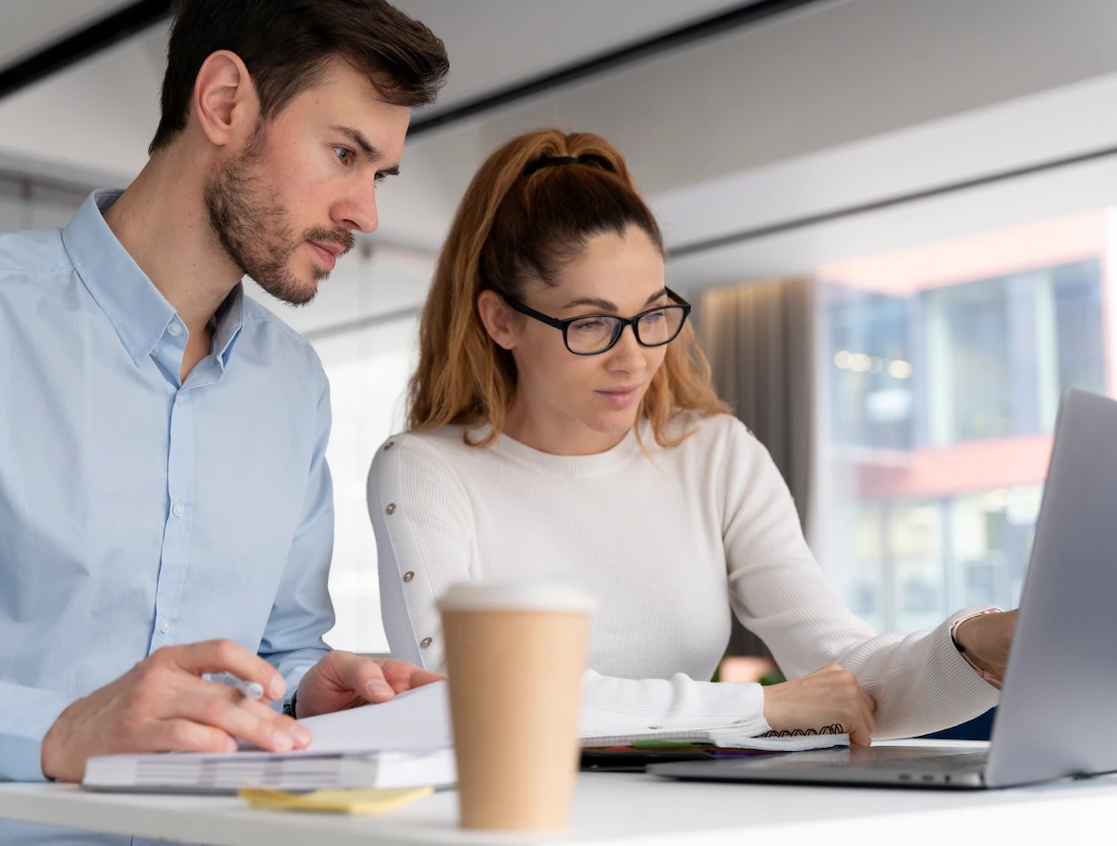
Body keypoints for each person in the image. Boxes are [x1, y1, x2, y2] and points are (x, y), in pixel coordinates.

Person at [0, 2, 448, 842]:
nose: (366, 212)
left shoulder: (293, 386)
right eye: (345, 153)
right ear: (223, 102)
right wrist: (55, 733)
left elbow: (282, 648)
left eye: (378, 174)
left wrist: (311, 685)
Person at [369, 129, 1017, 745]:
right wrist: (757, 708)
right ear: (501, 319)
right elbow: (469, 694)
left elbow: (842, 668)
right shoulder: (425, 470)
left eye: (651, 314)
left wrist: (978, 644)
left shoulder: (714, 453)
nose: (633, 359)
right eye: (592, 324)